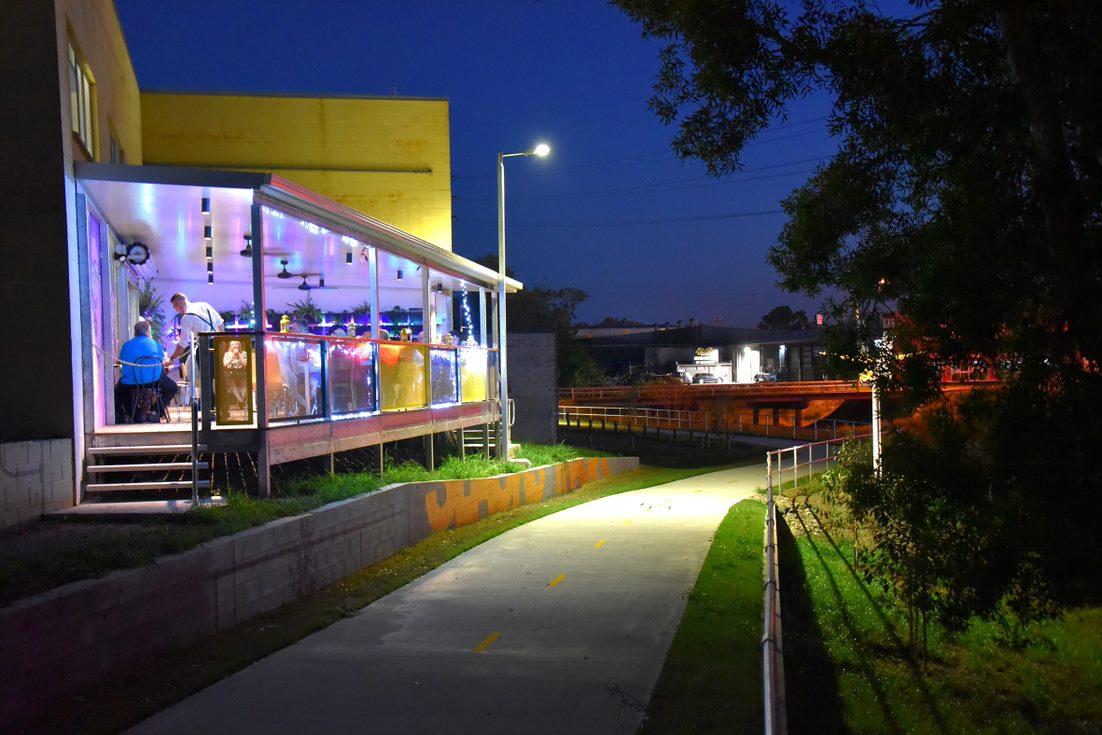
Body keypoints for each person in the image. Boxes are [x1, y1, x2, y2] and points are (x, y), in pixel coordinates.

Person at [115, 320, 178, 422]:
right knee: (172, 388)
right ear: (148, 332)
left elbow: (121, 361)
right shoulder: (156, 344)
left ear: (135, 333)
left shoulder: (126, 345)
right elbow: (160, 361)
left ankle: (133, 413)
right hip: (154, 381)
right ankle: (155, 411)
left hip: (131, 382)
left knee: (119, 391)